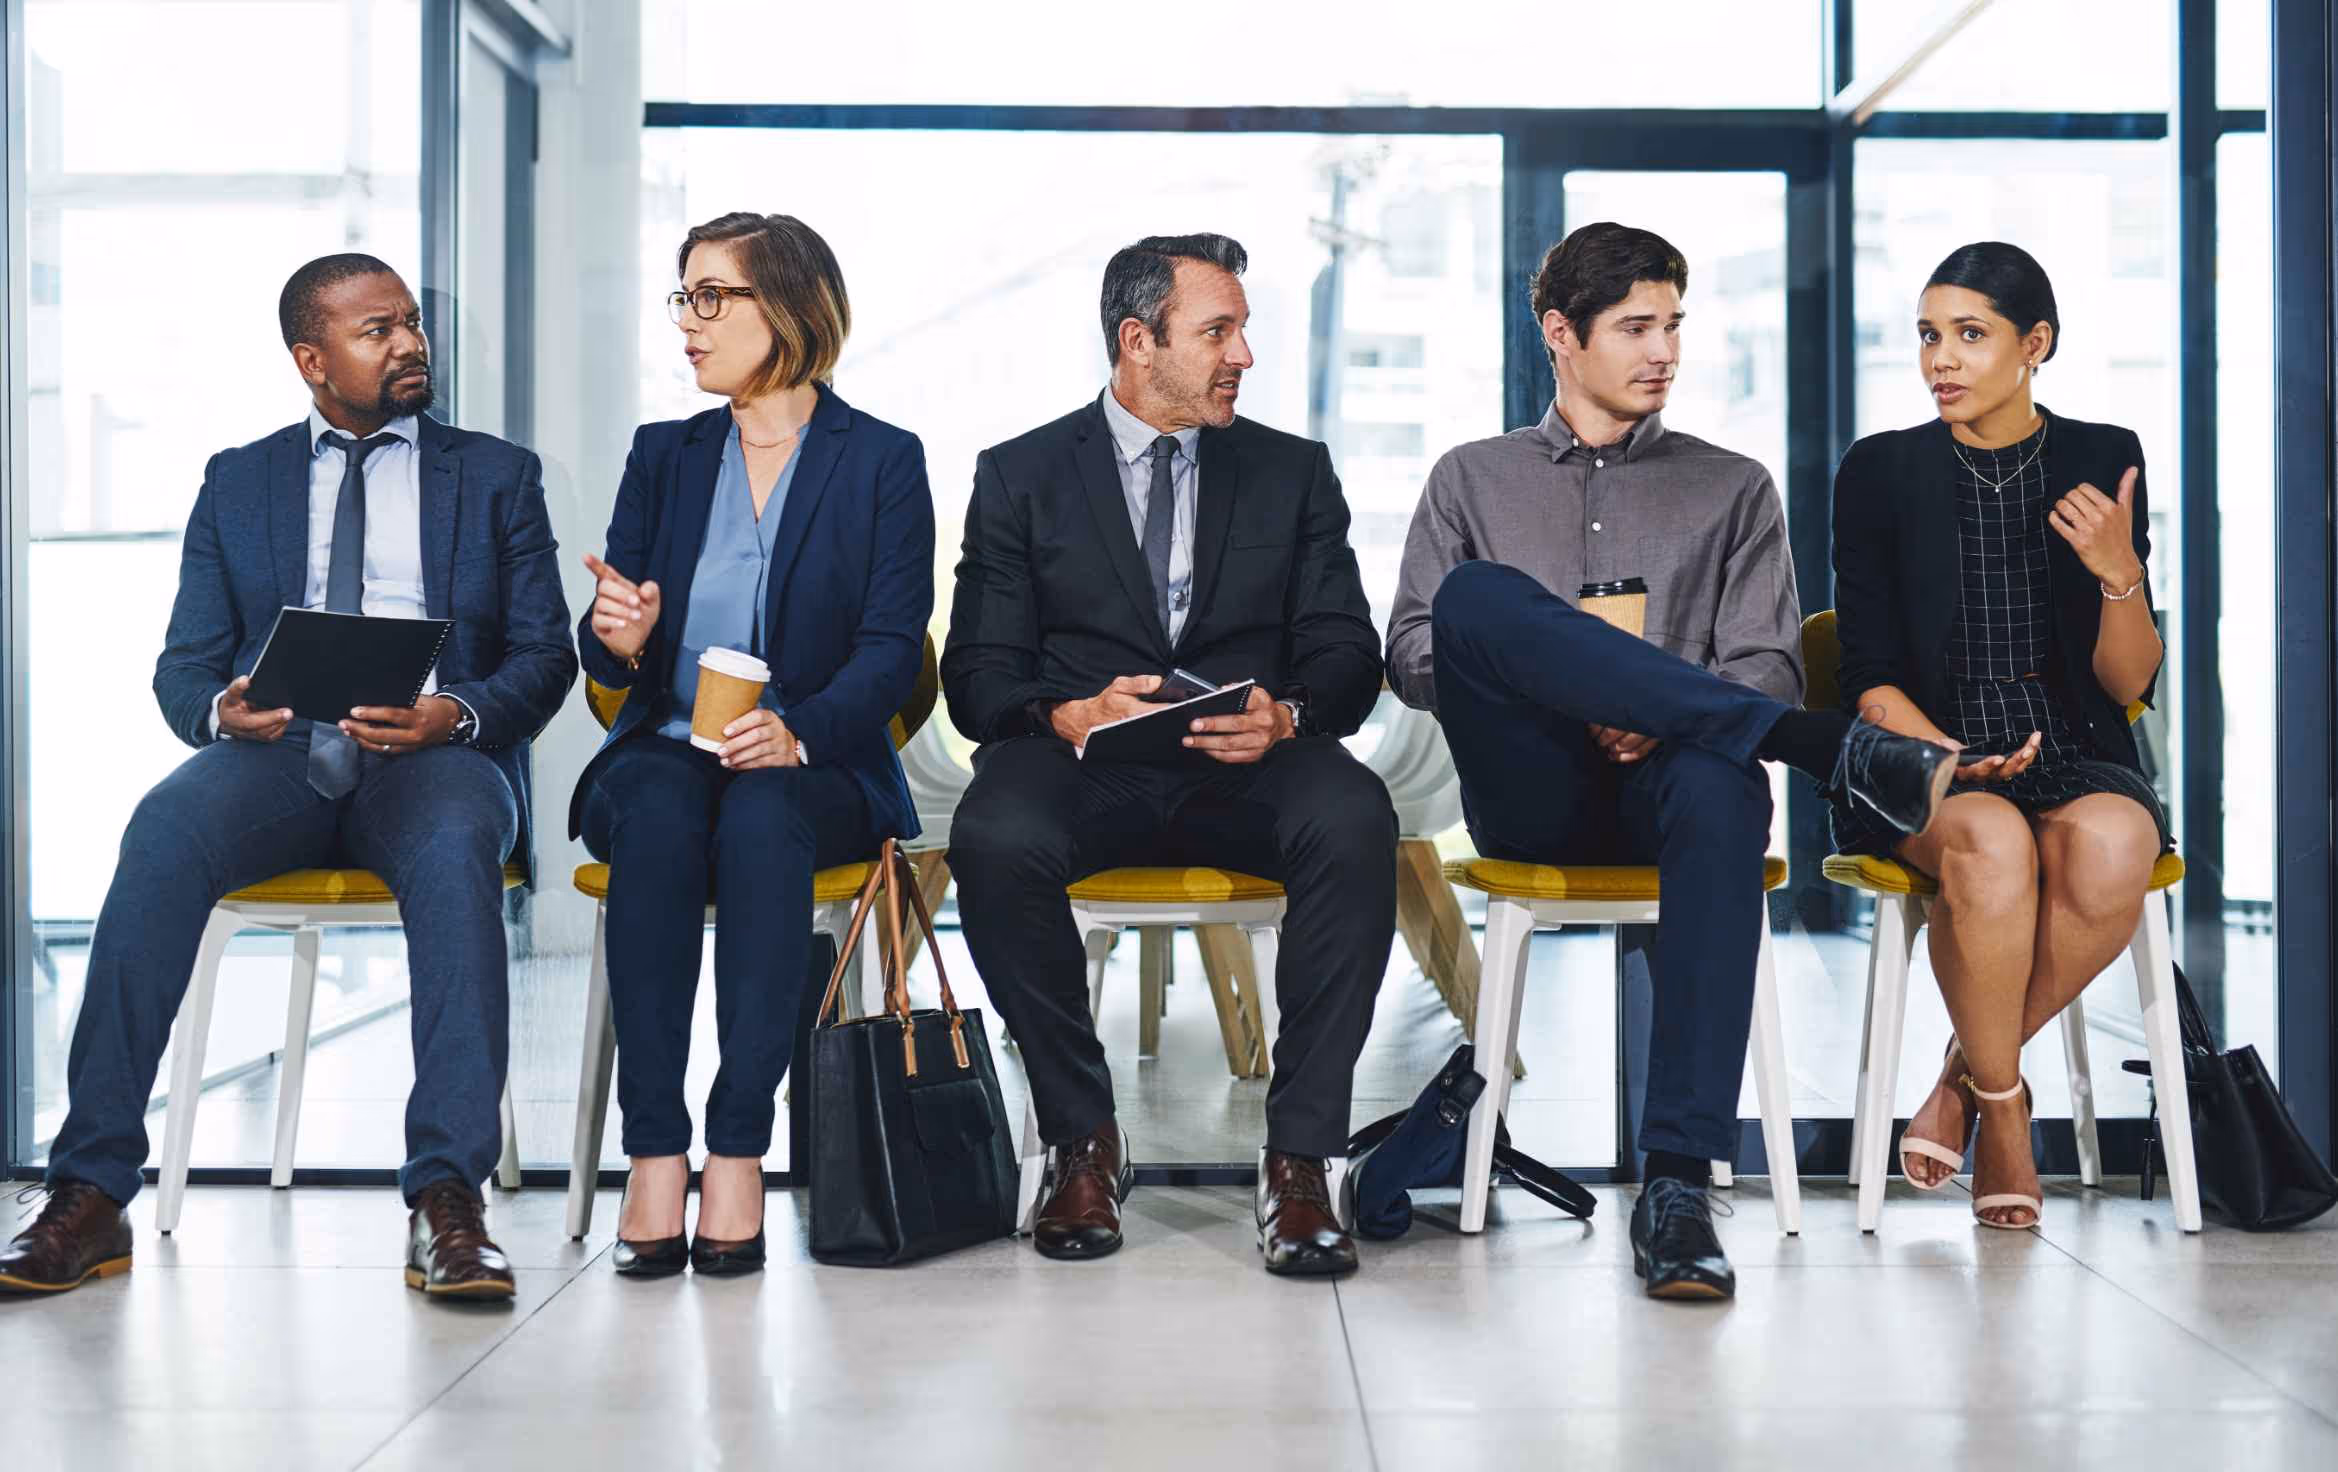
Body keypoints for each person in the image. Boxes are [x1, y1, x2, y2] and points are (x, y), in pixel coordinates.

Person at [1385, 221, 1958, 1301]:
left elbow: (1765, 665)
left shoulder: (1731, 486)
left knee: (1722, 774)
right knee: (1476, 597)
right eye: (1636, 326)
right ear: (1561, 334)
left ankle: (1678, 1187)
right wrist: (1579, 682)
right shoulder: (1472, 477)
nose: (1664, 349)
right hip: (1531, 786)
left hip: (1675, 783)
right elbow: (1417, 653)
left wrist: (1659, 714)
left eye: (1674, 325)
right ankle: (1826, 756)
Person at [0, 255, 576, 1300]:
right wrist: (224, 708)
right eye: (376, 330)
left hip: (434, 757)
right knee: (162, 831)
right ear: (312, 359)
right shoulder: (241, 478)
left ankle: (447, 1197)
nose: (409, 343)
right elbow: (184, 663)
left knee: (454, 852)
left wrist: (455, 711)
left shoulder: (496, 475)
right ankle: (88, 1192)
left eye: (410, 322)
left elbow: (544, 655)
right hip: (276, 756)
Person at [943, 233, 1393, 1278]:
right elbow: (977, 675)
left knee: (1355, 813)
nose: (1243, 355)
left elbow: (1345, 651)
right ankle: (1082, 1137)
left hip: (1250, 764)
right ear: (1138, 341)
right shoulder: (1019, 475)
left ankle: (1300, 1158)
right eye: (1218, 331)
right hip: (1084, 763)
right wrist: (1066, 712)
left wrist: (1286, 711)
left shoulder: (1292, 471)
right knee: (992, 830)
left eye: (1242, 329)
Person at [573, 213, 933, 1277]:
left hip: (815, 759)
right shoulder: (664, 454)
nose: (687, 322)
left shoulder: (881, 460)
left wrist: (801, 729)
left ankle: (736, 1144)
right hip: (671, 746)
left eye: (710, 297)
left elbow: (889, 647)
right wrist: (621, 637)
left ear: (786, 305)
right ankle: (652, 1148)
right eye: (682, 297)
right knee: (657, 815)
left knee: (767, 820)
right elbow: (609, 631)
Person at [1830, 241, 2168, 1232]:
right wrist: (1946, 755)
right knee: (1991, 840)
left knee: (2115, 844)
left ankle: (1961, 1077)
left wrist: (2118, 570)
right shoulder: (1879, 469)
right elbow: (1866, 675)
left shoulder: (2101, 454)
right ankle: (2011, 1118)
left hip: (2067, 743)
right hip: (1918, 750)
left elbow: (2128, 681)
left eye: (1969, 335)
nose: (1941, 357)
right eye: (1929, 335)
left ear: (2036, 345)